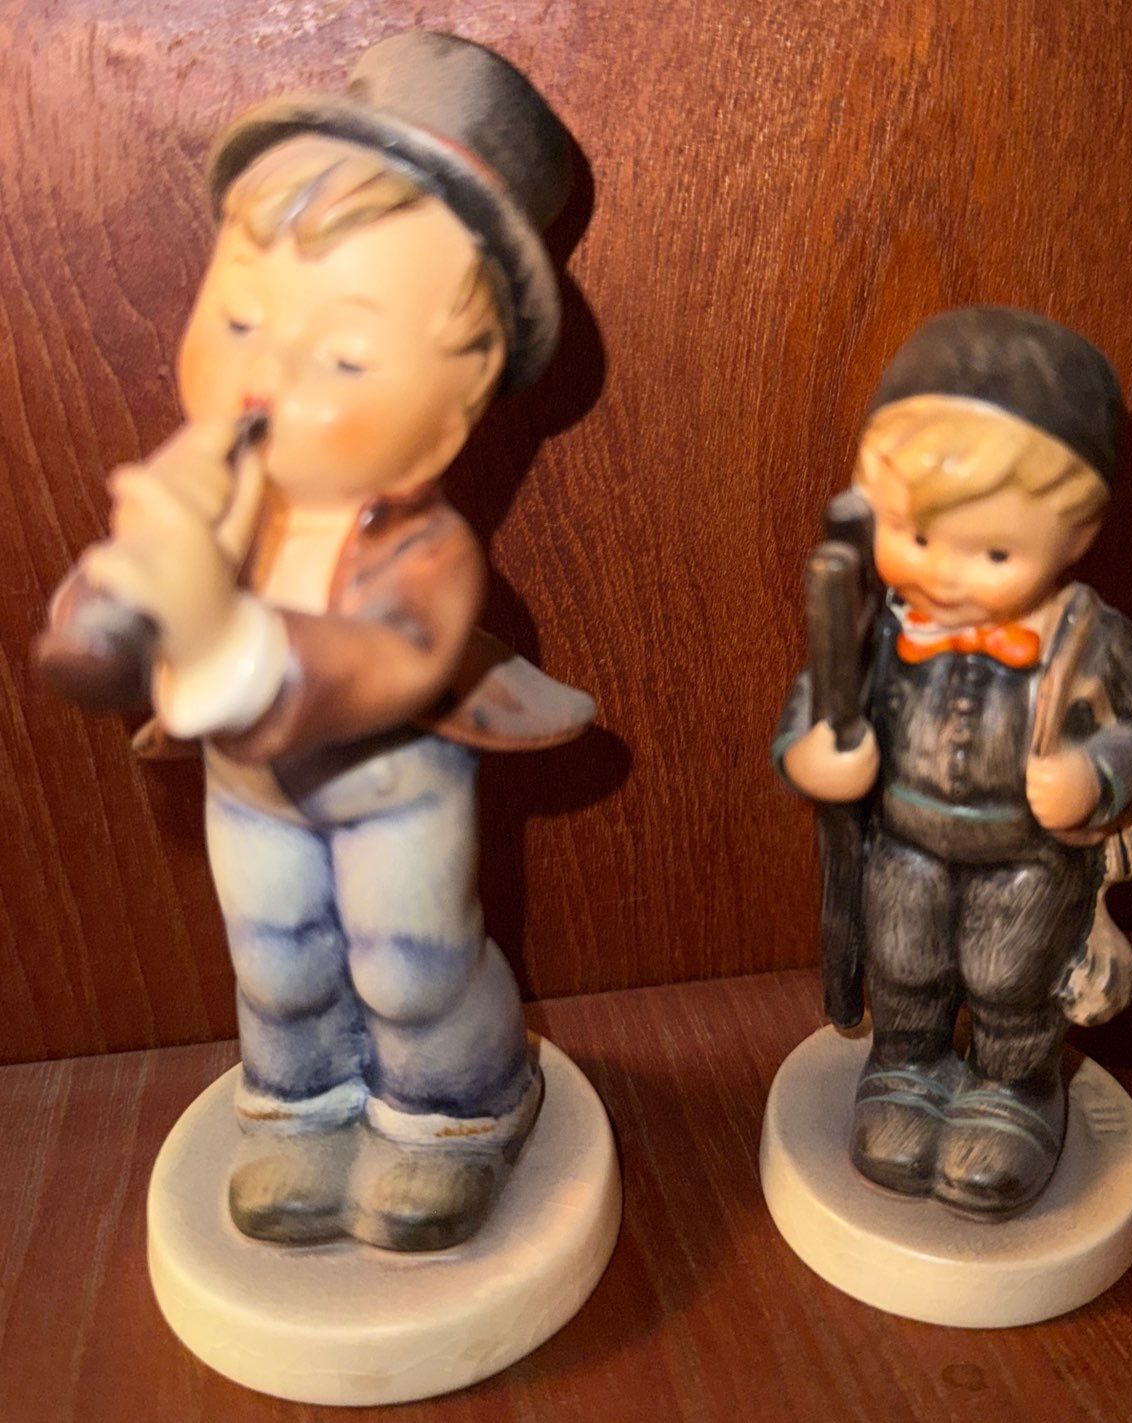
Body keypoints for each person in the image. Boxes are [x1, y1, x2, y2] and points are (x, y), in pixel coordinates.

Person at [39, 31, 592, 1251]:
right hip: (250, 793)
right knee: (275, 958)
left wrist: (219, 626)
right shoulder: (209, 494)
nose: (268, 372)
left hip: (394, 794)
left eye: (343, 353)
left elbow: (389, 663)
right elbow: (99, 638)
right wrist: (116, 604)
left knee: (412, 965)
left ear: (450, 416)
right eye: (240, 316)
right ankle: (300, 1104)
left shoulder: (423, 549)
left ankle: (454, 1110)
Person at [777, 308, 1132, 1217]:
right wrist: (816, 753)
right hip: (905, 845)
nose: (944, 573)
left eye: (994, 550)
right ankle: (904, 1070)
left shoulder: (1084, 638)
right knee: (904, 963)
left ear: (1077, 533)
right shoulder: (876, 629)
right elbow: (817, 702)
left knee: (1009, 979)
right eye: (914, 537)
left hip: (1024, 861)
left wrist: (1094, 774)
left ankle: (1012, 1092)